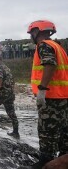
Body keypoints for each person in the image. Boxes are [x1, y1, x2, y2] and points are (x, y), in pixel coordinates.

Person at [27, 20, 68, 168]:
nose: (31, 35)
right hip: (63, 97)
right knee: (64, 133)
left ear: (38, 31)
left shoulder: (43, 45)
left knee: (47, 133)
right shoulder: (58, 46)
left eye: (32, 32)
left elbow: (50, 64)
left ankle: (46, 163)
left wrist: (42, 90)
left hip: (51, 98)